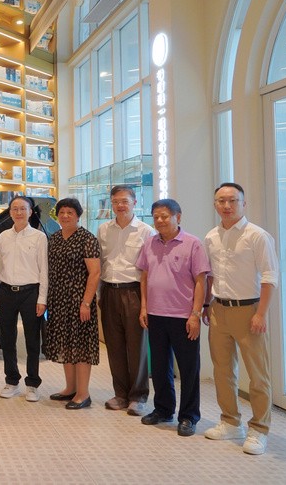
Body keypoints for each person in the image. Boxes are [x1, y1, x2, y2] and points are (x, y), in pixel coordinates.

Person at [203, 183, 279, 455]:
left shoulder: (257, 236)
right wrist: (207, 305)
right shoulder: (211, 236)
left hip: (250, 310)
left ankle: (259, 429)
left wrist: (261, 313)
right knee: (223, 371)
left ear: (243, 204)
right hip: (219, 309)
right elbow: (210, 275)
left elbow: (270, 277)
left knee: (258, 375)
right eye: (221, 201)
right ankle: (230, 422)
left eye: (233, 200)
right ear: (215, 204)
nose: (227, 205)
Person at [137, 199, 210, 437]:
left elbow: (201, 281)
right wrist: (144, 307)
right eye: (156, 216)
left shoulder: (193, 244)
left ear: (178, 217)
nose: (160, 220)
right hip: (155, 314)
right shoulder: (150, 243)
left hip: (183, 317)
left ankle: (189, 416)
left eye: (165, 216)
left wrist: (195, 314)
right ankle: (163, 409)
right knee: (159, 367)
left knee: (189, 369)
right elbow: (145, 277)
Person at [97, 185, 154, 416]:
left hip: (134, 291)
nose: (120, 205)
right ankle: (120, 394)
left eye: (125, 201)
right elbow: (101, 262)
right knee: (114, 346)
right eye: (116, 201)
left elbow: (149, 269)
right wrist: (99, 294)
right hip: (109, 290)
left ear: (134, 203)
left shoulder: (146, 231)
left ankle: (138, 396)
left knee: (137, 346)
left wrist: (146, 303)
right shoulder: (103, 229)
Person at [44, 197, 101, 410]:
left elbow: (95, 273)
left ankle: (83, 394)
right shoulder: (54, 238)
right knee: (65, 344)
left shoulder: (87, 238)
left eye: (70, 212)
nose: (65, 216)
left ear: (78, 215)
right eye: (62, 212)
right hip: (58, 299)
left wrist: (86, 303)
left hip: (79, 300)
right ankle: (70, 388)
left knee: (81, 346)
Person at [0, 196, 48, 402]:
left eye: (23, 209)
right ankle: (11, 381)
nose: (18, 212)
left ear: (30, 212)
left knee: (32, 339)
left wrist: (42, 299)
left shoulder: (39, 237)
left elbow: (44, 270)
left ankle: (32, 384)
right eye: (15, 209)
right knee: (7, 338)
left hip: (30, 292)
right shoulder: (3, 236)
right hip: (7, 291)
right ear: (10, 212)